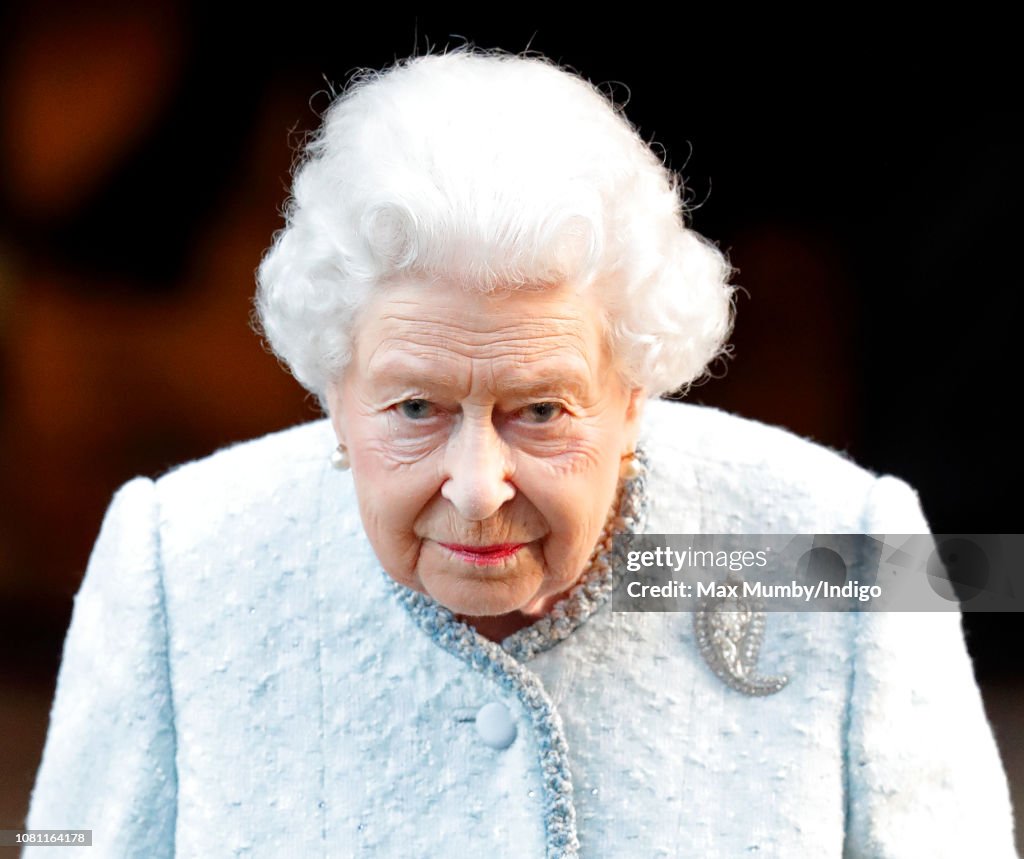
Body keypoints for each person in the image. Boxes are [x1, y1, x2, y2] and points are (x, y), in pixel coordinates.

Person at [23, 48, 1017, 857]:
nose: (477, 485)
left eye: (540, 410)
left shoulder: (853, 543)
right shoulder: (171, 551)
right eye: (414, 407)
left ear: (634, 392)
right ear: (333, 386)